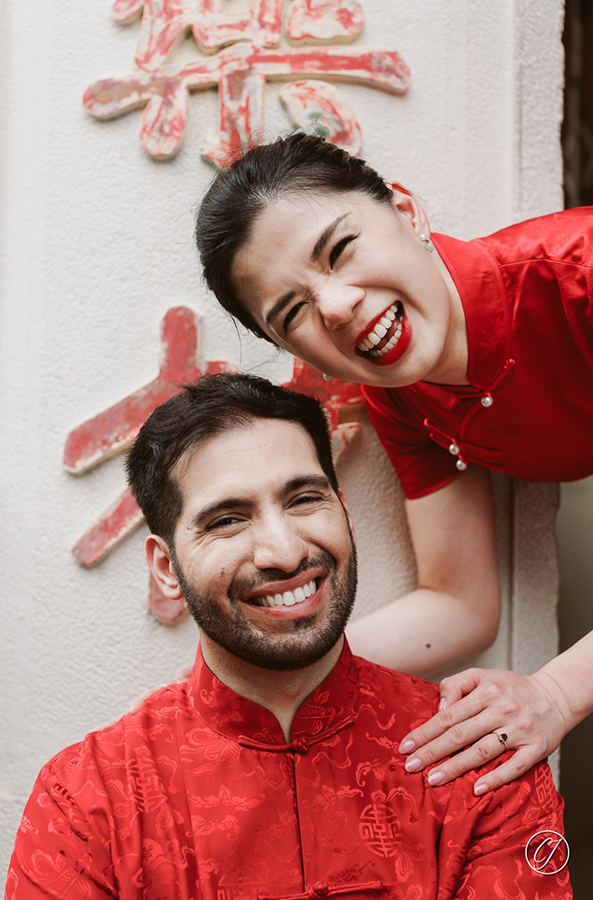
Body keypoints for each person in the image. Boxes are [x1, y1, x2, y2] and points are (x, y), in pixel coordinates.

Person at [5, 374, 570, 900]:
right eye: (227, 519)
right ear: (165, 567)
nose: (285, 550)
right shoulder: (86, 798)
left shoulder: (480, 756)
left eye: (304, 500)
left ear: (345, 515)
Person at [194, 131, 593, 795]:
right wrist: (244, 677)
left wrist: (555, 693)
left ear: (406, 210)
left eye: (340, 250)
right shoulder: (401, 398)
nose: (337, 306)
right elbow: (459, 604)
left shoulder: (579, 273)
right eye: (293, 312)